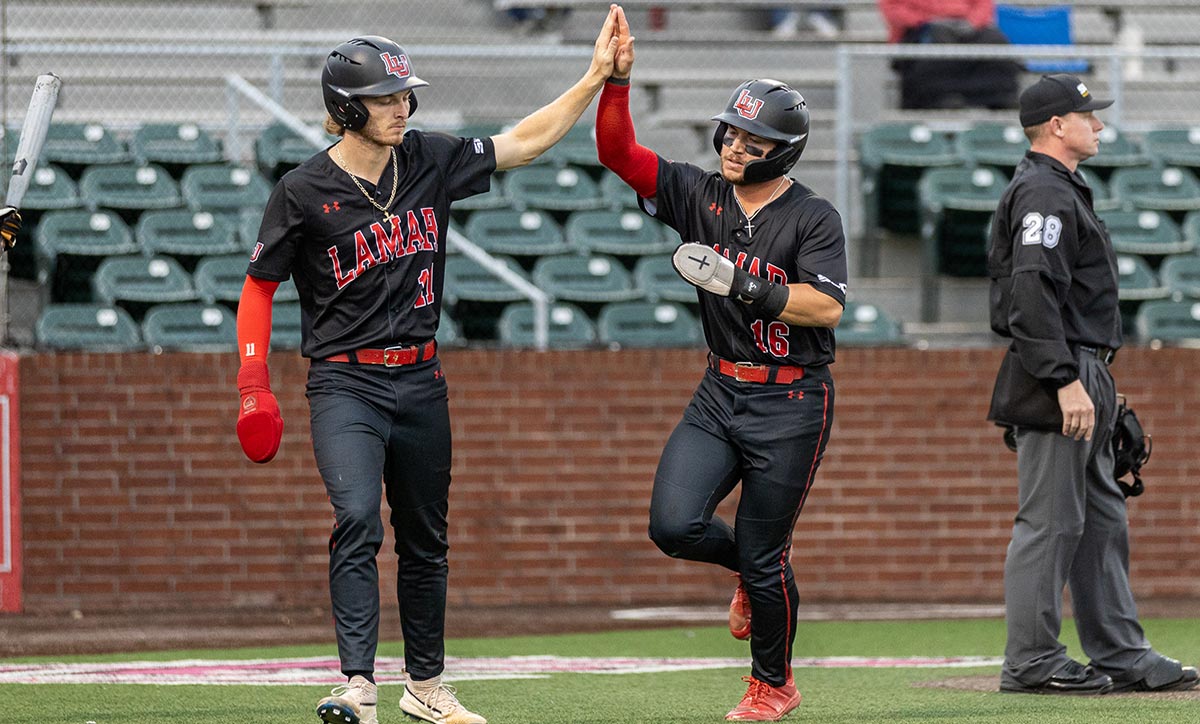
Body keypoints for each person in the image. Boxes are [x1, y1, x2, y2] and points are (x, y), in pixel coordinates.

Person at [232, 8, 626, 724]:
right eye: (386, 98)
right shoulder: (301, 190)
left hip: (420, 379)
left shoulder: (429, 159)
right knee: (356, 518)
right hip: (344, 380)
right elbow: (258, 288)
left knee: (424, 537)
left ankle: (426, 687)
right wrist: (253, 386)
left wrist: (595, 76)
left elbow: (525, 143)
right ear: (346, 107)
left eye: (404, 95)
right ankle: (357, 684)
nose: (402, 107)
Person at [595, 19, 847, 722]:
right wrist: (616, 81)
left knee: (768, 557)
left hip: (792, 399)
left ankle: (773, 685)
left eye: (754, 141)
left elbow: (825, 308)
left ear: (785, 150)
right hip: (721, 389)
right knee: (673, 526)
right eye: (731, 134)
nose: (736, 147)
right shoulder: (698, 193)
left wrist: (747, 287)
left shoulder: (813, 217)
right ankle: (746, 570)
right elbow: (618, 152)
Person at [987, 73, 1199, 697]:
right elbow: (1031, 293)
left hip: (1085, 365)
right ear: (1057, 125)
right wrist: (1063, 379)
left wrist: (1096, 381)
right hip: (1058, 368)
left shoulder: (1061, 190)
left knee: (1102, 519)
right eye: (1089, 117)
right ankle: (1030, 660)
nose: (1099, 126)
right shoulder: (1043, 193)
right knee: (1050, 523)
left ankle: (1121, 652)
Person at [878, 0, 1018, 110]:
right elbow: (893, 9)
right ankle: (940, 97)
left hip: (965, 25)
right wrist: (927, 21)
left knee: (994, 41)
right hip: (922, 28)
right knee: (938, 41)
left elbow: (983, 4)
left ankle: (999, 97)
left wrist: (972, 23)